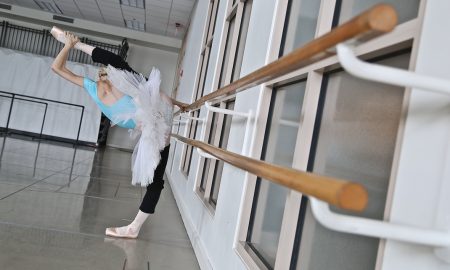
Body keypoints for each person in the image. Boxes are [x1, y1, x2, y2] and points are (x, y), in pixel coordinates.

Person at [50, 27, 187, 239]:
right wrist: (68, 45)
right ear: (104, 77)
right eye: (105, 73)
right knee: (155, 181)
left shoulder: (117, 83)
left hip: (158, 124)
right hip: (154, 127)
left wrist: (71, 44)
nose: (106, 73)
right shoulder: (96, 87)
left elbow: (152, 90)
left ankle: (134, 228)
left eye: (107, 71)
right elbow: (57, 68)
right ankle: (134, 228)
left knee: (156, 180)